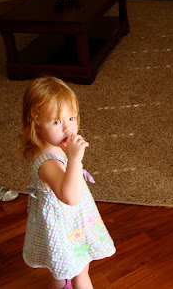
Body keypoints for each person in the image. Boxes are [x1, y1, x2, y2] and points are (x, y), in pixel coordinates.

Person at [20, 77, 116, 289]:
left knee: (62, 270)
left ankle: (60, 284)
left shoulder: (52, 147)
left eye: (71, 118)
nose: (68, 128)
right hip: (65, 224)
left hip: (67, 221)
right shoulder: (48, 162)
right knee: (81, 270)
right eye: (56, 122)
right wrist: (74, 159)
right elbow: (70, 197)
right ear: (35, 123)